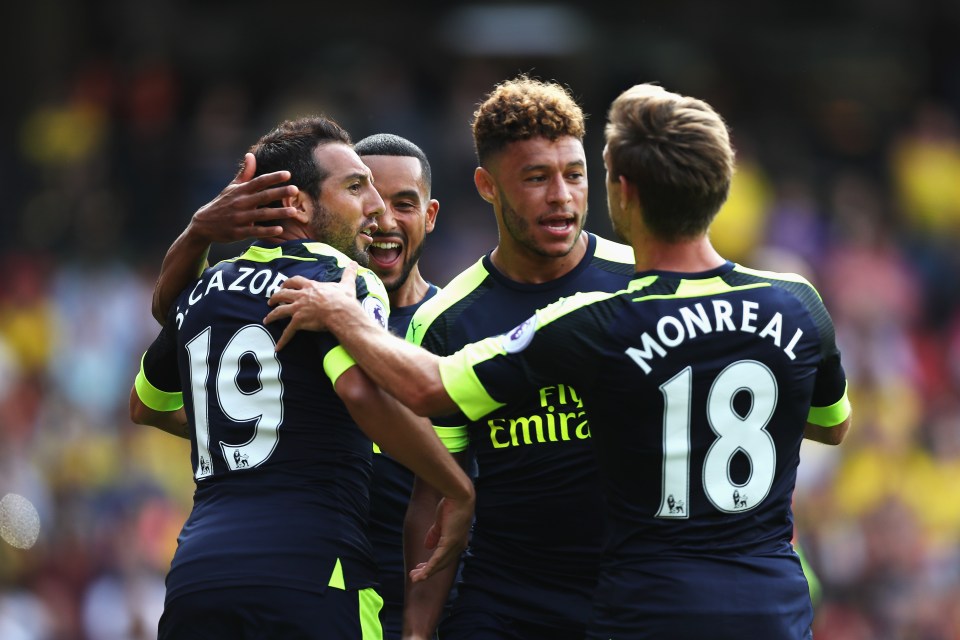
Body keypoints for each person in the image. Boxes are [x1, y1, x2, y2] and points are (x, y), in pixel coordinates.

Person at [262, 83, 852, 639]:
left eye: (575, 175)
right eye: (537, 177)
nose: (562, 196)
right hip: (527, 598)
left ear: (619, 189)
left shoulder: (603, 312)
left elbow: (429, 387)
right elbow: (829, 424)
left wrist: (342, 314)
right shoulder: (796, 299)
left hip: (636, 596)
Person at [129, 116, 474, 640]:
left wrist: (266, 431)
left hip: (197, 574)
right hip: (312, 571)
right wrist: (458, 488)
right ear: (298, 204)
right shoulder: (337, 277)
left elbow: (144, 404)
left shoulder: (208, 286)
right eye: (356, 187)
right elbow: (361, 391)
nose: (375, 206)